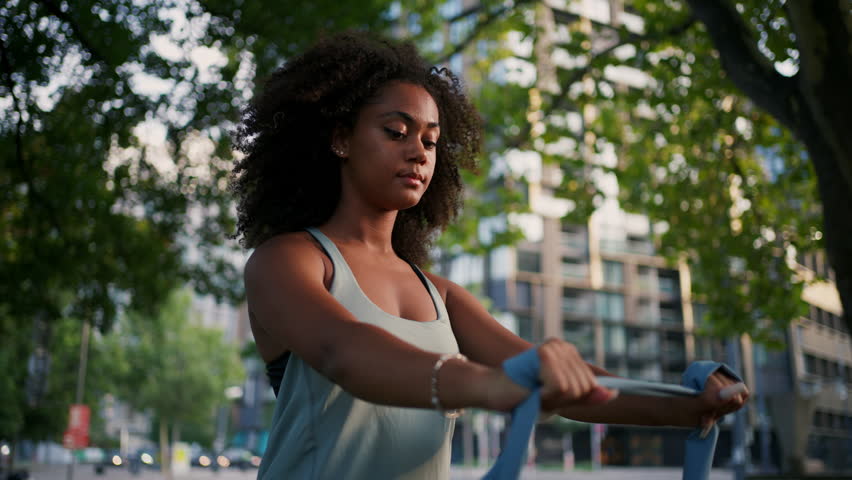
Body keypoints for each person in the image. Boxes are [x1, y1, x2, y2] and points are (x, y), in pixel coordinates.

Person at [230, 31, 749, 480]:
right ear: (341, 138)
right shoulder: (287, 260)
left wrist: (688, 407)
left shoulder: (443, 295)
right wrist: (490, 384)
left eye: (431, 142)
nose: (418, 152)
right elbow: (341, 351)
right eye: (396, 131)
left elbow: (568, 387)